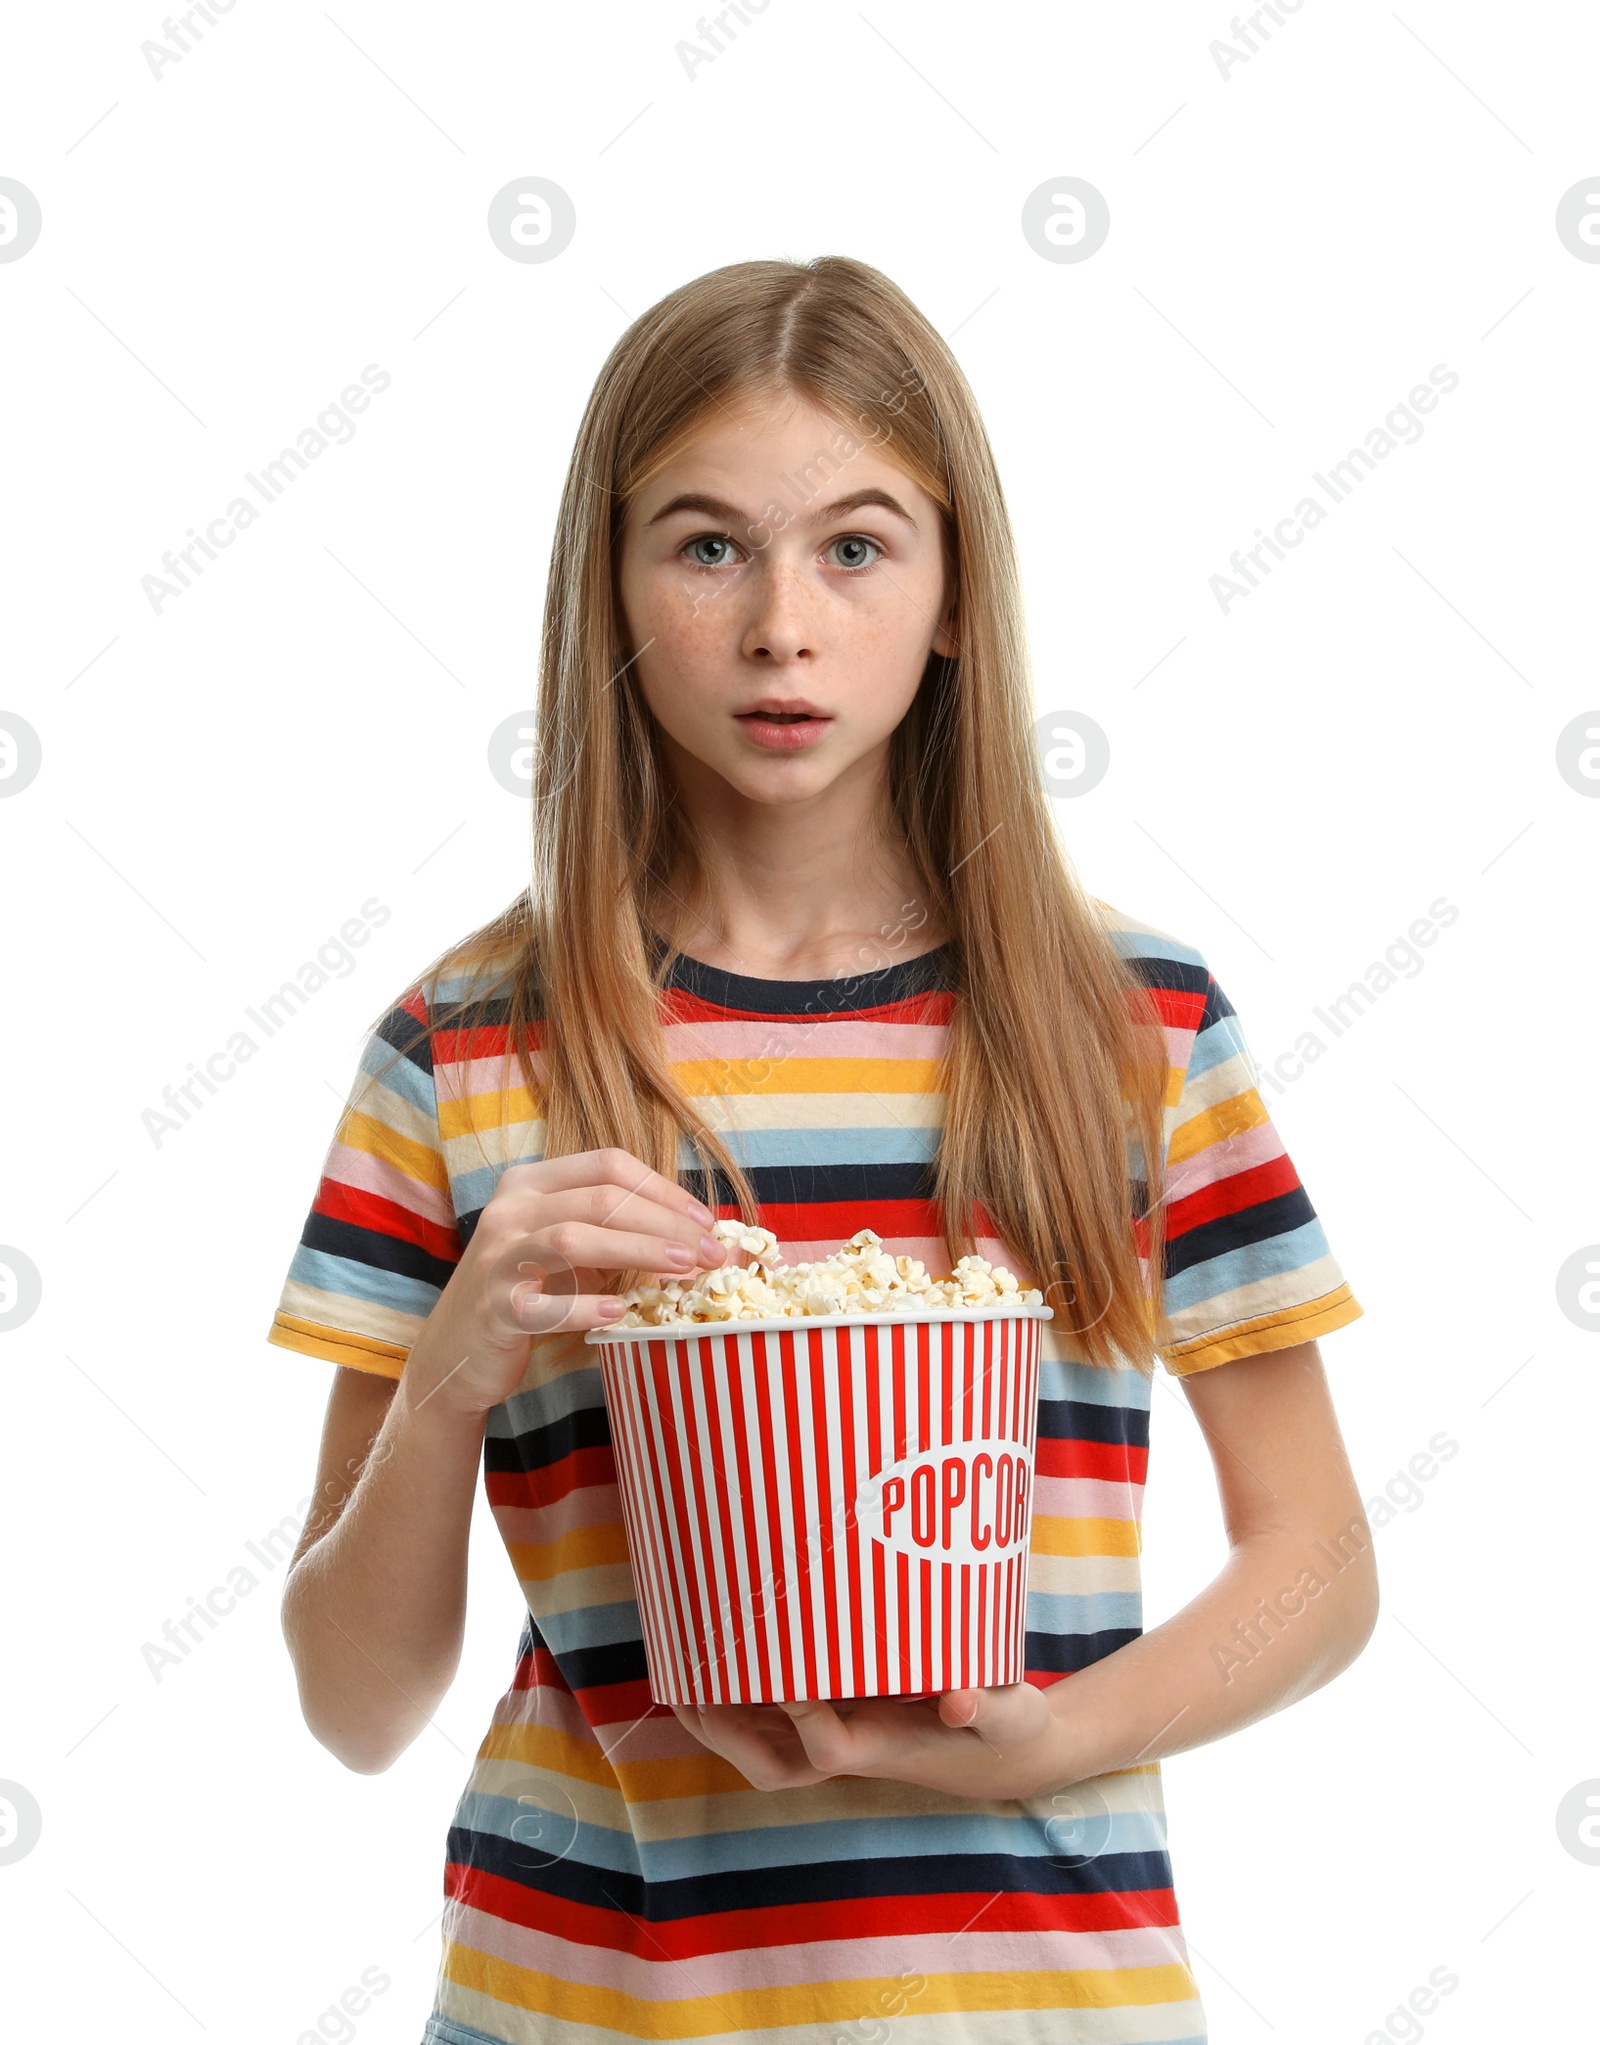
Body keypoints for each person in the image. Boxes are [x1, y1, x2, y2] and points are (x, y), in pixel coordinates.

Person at [269, 254, 1376, 2045]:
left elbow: (1319, 1561)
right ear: (612, 588)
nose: (784, 623)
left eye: (856, 547)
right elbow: (355, 1703)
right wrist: (451, 1372)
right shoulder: (465, 1048)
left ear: (952, 596)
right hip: (585, 2001)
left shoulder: (1136, 1029)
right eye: (706, 546)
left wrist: (1061, 1734)